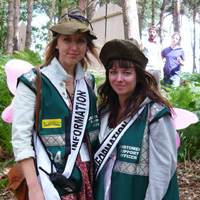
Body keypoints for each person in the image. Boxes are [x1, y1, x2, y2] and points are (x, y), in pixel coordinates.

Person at [12, 7, 100, 200]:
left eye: (80, 41)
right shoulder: (34, 82)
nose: (74, 47)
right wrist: (34, 187)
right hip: (49, 181)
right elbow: (20, 138)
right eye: (67, 39)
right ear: (57, 43)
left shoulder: (89, 82)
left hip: (89, 177)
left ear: (87, 46)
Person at [94, 39, 179, 200]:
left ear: (138, 76)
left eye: (126, 72)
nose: (119, 79)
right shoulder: (105, 112)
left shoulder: (155, 114)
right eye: (113, 72)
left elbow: (164, 169)